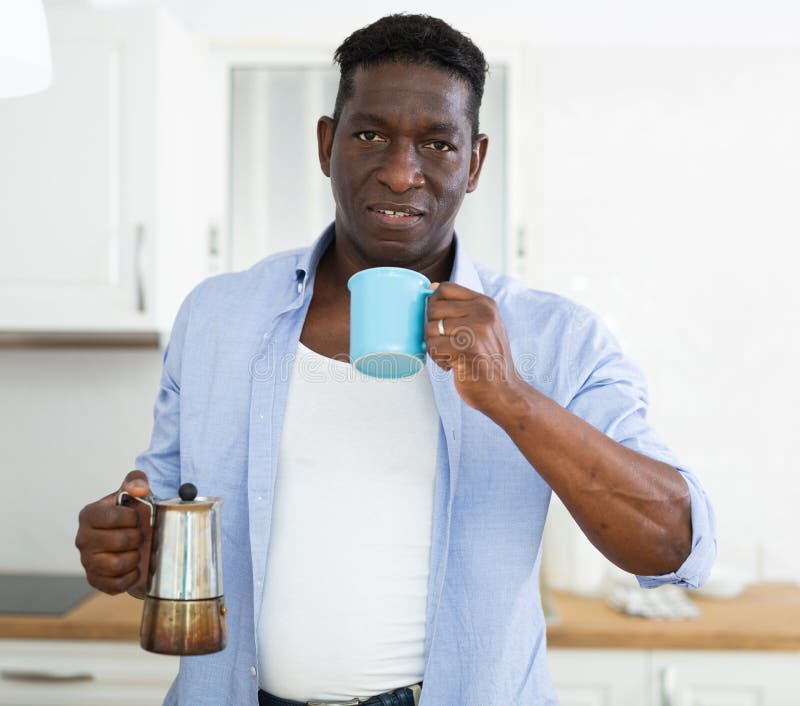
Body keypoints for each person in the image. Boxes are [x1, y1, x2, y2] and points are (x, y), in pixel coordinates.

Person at [75, 14, 716, 706]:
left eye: (437, 143)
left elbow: (675, 545)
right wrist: (124, 540)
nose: (400, 172)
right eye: (370, 134)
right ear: (327, 144)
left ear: (474, 163)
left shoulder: (554, 336)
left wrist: (511, 396)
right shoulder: (217, 316)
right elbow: (165, 500)